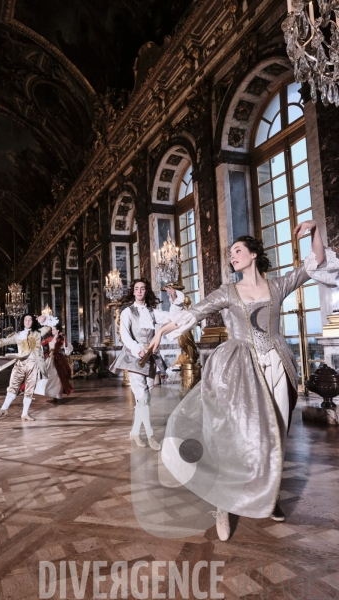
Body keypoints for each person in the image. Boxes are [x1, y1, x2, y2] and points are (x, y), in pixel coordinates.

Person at [150, 220, 339, 541]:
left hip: (278, 366)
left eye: (237, 250)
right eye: (231, 253)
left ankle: (270, 496)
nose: (232, 256)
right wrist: (160, 331)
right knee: (235, 435)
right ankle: (225, 504)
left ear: (253, 254)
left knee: (276, 433)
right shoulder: (228, 291)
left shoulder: (278, 286)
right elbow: (192, 313)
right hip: (240, 369)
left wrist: (315, 229)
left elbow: (315, 263)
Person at [110, 278, 184, 451]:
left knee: (145, 399)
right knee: (142, 397)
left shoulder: (152, 312)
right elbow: (125, 335)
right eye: (137, 288)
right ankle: (150, 434)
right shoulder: (127, 312)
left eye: (143, 288)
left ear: (146, 291)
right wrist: (138, 350)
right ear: (133, 292)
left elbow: (172, 318)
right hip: (134, 357)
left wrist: (174, 299)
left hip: (150, 358)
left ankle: (135, 431)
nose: (140, 291)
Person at [0, 313, 57, 421]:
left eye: (30, 320)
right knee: (13, 386)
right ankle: (4, 408)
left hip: (33, 364)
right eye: (25, 320)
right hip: (20, 363)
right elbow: (3, 341)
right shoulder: (18, 335)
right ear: (22, 322)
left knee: (29, 389)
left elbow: (50, 325)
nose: (27, 322)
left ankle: (25, 413)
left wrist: (44, 318)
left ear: (33, 321)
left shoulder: (38, 333)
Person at [34, 323, 74, 400]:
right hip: (49, 358)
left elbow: (66, 346)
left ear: (57, 330)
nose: (52, 330)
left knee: (56, 375)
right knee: (46, 374)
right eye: (52, 329)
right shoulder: (49, 338)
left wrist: (65, 337)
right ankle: (47, 391)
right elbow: (41, 344)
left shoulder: (60, 339)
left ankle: (57, 394)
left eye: (53, 329)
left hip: (56, 358)